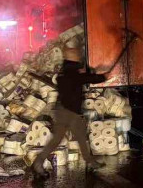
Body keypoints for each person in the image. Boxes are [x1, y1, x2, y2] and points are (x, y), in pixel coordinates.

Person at [31, 48, 108, 178]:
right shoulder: (73, 75)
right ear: (74, 61)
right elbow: (88, 79)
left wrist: (93, 74)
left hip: (61, 110)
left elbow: (83, 78)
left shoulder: (64, 74)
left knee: (57, 140)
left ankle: (38, 163)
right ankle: (90, 161)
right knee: (81, 137)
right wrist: (102, 77)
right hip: (70, 113)